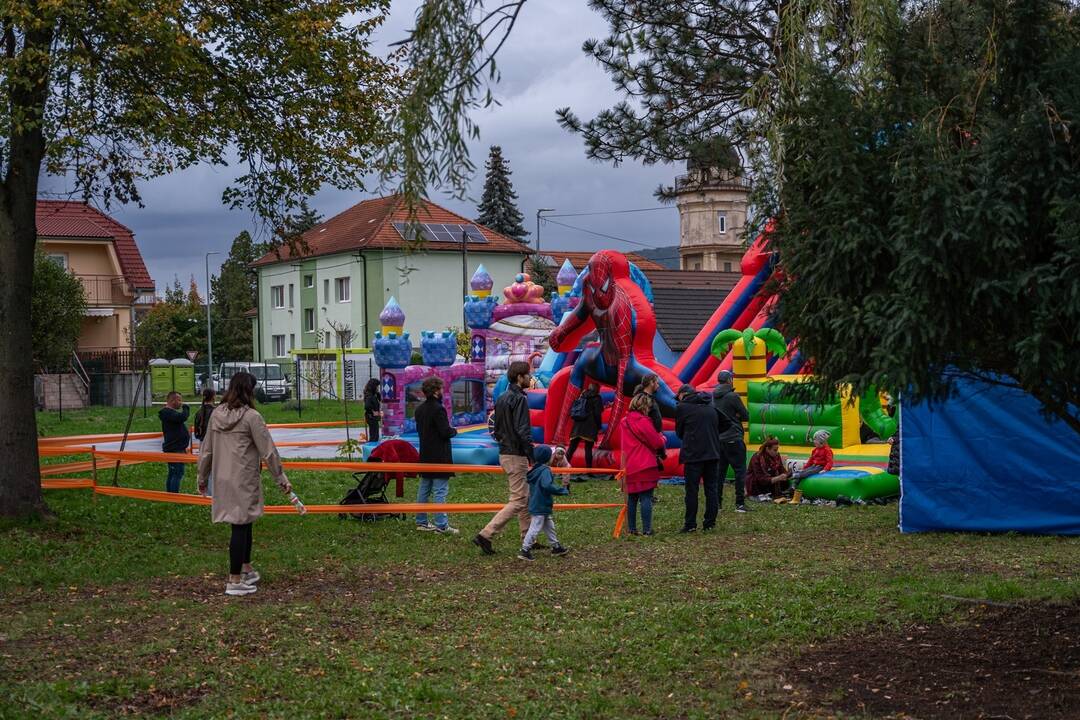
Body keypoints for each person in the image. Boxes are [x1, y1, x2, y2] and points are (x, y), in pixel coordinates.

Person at [197, 372, 293, 596]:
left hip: (222, 477)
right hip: (244, 477)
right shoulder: (252, 417)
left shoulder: (216, 414)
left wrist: (202, 477)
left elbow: (206, 450)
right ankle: (234, 580)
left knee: (244, 522)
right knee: (240, 525)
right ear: (249, 391)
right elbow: (268, 451)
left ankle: (246, 568)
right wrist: (281, 478)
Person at [474, 361, 535, 555]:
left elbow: (496, 428)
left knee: (525, 497)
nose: (530, 378)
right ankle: (486, 534)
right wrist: (530, 453)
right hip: (516, 453)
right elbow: (522, 430)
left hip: (505, 452)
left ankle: (528, 538)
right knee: (518, 500)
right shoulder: (520, 400)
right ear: (519, 377)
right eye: (527, 375)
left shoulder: (501, 398)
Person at [675, 384, 732, 532]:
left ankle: (690, 524)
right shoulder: (710, 405)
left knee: (692, 491)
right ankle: (710, 523)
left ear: (683, 395)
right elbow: (727, 422)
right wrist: (712, 433)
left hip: (693, 455)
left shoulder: (682, 408)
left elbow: (679, 431)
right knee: (711, 489)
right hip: (712, 452)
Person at [413, 377, 459, 535]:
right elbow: (444, 432)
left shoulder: (419, 410)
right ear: (435, 391)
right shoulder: (438, 409)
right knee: (440, 491)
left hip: (425, 453)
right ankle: (441, 524)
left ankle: (421, 521)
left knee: (424, 489)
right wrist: (454, 430)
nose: (442, 392)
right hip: (439, 455)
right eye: (441, 389)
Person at [621, 392, 666, 535]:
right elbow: (657, 442)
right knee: (646, 497)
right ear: (645, 406)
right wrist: (663, 438)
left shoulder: (624, 421)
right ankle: (647, 530)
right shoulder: (644, 421)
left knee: (633, 498)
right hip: (645, 463)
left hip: (629, 464)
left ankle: (632, 529)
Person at [517, 445, 571, 561]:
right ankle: (525, 550)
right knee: (535, 527)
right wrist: (562, 490)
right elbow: (547, 485)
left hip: (539, 503)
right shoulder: (545, 470)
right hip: (541, 504)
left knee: (549, 526)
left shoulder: (535, 470)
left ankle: (556, 546)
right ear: (547, 457)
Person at [713, 370, 751, 513]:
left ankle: (717, 504)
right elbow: (745, 415)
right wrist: (735, 415)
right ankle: (739, 504)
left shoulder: (714, 397)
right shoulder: (733, 396)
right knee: (740, 471)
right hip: (734, 437)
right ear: (729, 380)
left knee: (720, 473)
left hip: (719, 438)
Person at [786, 429, 835, 504]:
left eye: (815, 440)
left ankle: (796, 475)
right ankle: (793, 486)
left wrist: (825, 469)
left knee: (810, 472)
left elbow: (830, 462)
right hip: (814, 465)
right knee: (806, 471)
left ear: (821, 441)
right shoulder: (815, 450)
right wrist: (804, 467)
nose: (814, 441)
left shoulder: (827, 450)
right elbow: (810, 460)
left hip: (820, 467)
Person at [159, 391, 190, 493]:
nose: (181, 402)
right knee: (177, 472)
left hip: (176, 447)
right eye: (179, 400)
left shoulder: (169, 413)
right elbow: (182, 417)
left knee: (173, 472)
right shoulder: (168, 413)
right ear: (173, 400)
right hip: (175, 448)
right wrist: (186, 408)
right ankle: (174, 494)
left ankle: (170, 494)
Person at [567, 382, 603, 468]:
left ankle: (562, 467)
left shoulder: (582, 396)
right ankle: (589, 469)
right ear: (597, 390)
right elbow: (597, 414)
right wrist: (599, 426)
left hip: (578, 425)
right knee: (588, 449)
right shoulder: (597, 398)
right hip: (590, 426)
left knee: (572, 448)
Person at [363, 378, 382, 443]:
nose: (378, 388)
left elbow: (380, 399)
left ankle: (373, 444)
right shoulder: (370, 396)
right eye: (377, 386)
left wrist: (378, 394)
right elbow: (367, 406)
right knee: (374, 434)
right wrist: (374, 412)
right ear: (374, 386)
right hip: (371, 417)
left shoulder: (374, 394)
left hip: (372, 417)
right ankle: (372, 446)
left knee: (375, 433)